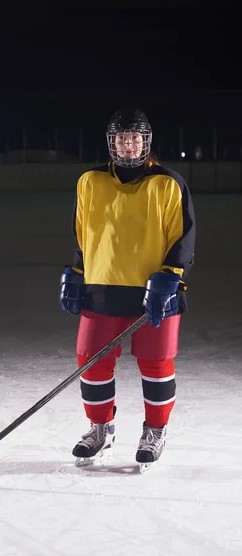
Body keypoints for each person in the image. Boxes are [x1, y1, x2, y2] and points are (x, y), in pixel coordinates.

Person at [59, 109, 196, 470]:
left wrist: (171, 273)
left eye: (135, 137)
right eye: (122, 138)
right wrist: (77, 270)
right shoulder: (89, 181)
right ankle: (100, 428)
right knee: (91, 361)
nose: (129, 144)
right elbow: (83, 232)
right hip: (102, 285)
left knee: (156, 364)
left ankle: (155, 430)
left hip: (155, 290)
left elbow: (182, 235)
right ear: (112, 142)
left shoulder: (168, 183)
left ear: (146, 142)